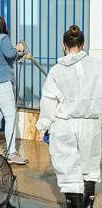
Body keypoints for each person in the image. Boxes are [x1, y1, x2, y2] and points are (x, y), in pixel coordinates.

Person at [36, 25, 102, 208]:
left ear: (64, 45)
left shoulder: (57, 70)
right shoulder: (98, 65)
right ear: (83, 44)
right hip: (91, 125)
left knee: (68, 172)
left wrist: (45, 125)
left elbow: (49, 101)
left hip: (65, 125)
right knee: (89, 168)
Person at [0, 15, 29, 165]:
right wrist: (20, 51)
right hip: (2, 84)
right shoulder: (3, 38)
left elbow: (2, 57)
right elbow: (10, 54)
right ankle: (12, 154)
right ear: (2, 26)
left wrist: (17, 52)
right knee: (10, 117)